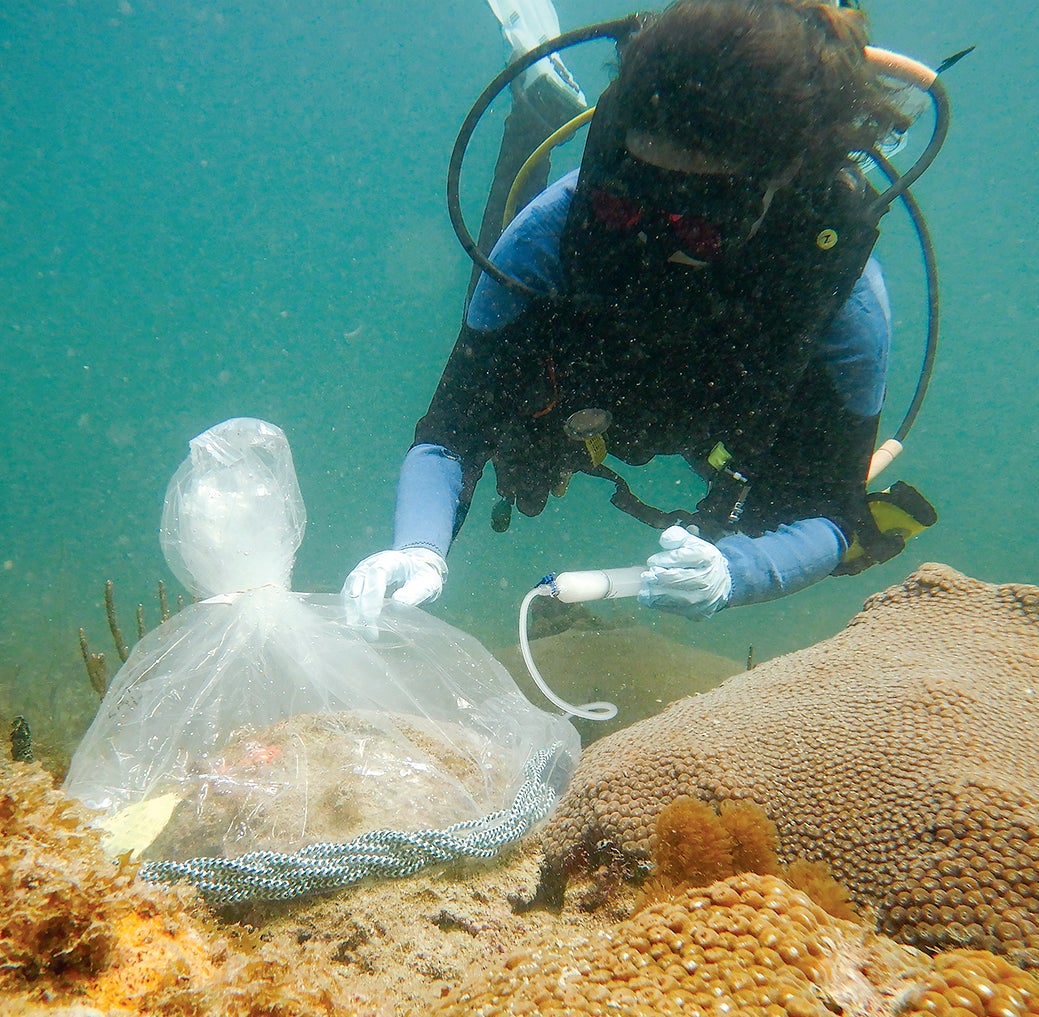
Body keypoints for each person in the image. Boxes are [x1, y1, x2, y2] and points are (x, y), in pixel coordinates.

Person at [345, 0, 923, 625]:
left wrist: (737, 573)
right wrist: (418, 549)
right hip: (573, 388)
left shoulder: (834, 294)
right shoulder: (553, 230)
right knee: (504, 255)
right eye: (627, 205)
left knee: (762, 511)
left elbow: (827, 512)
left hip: (719, 421)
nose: (651, 246)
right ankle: (540, 107)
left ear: (775, 191)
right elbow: (453, 433)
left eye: (698, 225)